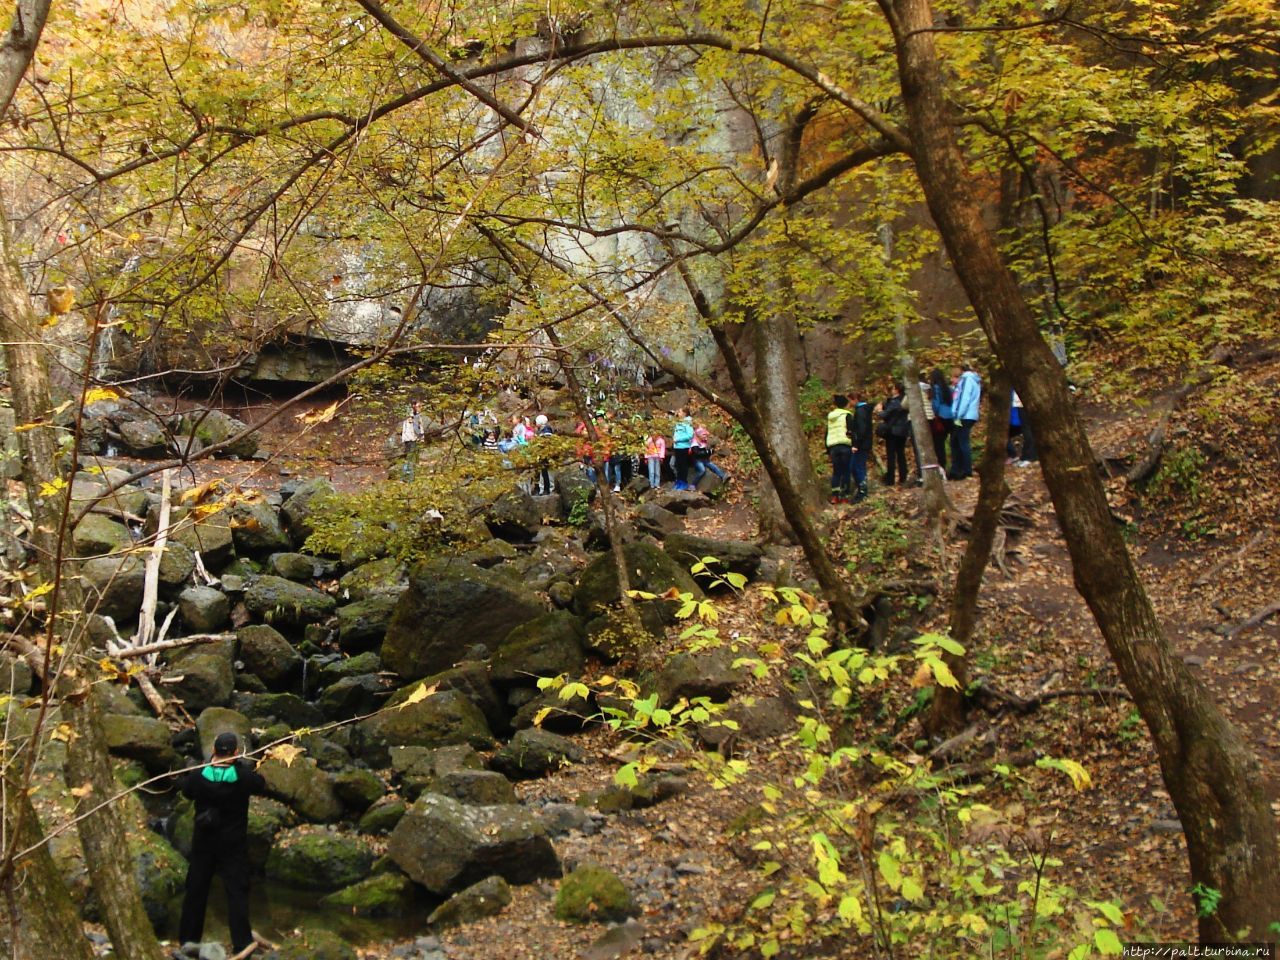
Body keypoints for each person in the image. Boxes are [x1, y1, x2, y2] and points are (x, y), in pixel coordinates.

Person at [178, 732, 268, 956]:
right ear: (236, 752)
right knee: (237, 892)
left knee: (196, 890)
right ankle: (241, 942)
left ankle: (188, 941)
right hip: (233, 844)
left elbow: (186, 791)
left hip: (204, 842)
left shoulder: (199, 776)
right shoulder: (243, 777)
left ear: (214, 751)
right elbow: (261, 784)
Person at [949, 362, 982, 480]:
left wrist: (958, 415)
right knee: (957, 442)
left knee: (961, 443)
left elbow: (964, 398)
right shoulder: (973, 380)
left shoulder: (967, 380)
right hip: (968, 415)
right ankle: (958, 469)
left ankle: (965, 470)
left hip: (964, 416)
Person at [825, 394, 856, 503]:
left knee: (836, 472)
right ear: (846, 404)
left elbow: (827, 433)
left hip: (833, 446)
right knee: (846, 471)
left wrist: (828, 449)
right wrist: (855, 444)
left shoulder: (831, 416)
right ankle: (845, 496)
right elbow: (852, 431)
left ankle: (835, 495)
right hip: (845, 444)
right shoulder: (847, 415)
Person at [879, 381, 911, 486]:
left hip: (892, 431)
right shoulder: (905, 400)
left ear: (897, 390)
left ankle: (890, 479)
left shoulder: (894, 402)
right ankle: (903, 477)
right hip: (903, 431)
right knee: (901, 454)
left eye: (893, 388)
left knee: (891, 455)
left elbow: (885, 415)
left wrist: (879, 410)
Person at [928, 368, 953, 473]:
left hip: (941, 417)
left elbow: (936, 404)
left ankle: (941, 467)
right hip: (950, 416)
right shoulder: (948, 388)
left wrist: (935, 413)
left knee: (938, 444)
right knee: (945, 442)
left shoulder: (936, 388)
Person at [850, 392, 873, 501]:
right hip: (865, 443)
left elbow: (861, 430)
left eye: (850, 401)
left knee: (857, 466)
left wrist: (856, 444)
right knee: (860, 466)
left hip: (861, 444)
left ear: (855, 399)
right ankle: (862, 489)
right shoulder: (865, 410)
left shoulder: (860, 412)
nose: (850, 403)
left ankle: (862, 490)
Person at [671, 408, 694, 490]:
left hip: (684, 447)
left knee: (683, 465)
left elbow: (690, 435)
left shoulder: (687, 422)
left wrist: (678, 439)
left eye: (680, 412)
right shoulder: (678, 422)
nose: (678, 413)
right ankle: (679, 481)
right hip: (677, 447)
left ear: (685, 413)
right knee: (678, 465)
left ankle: (684, 482)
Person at [400, 400, 423, 480]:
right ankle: (407, 478)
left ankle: (409, 476)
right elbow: (416, 429)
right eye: (419, 406)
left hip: (409, 439)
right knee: (410, 458)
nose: (421, 408)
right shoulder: (413, 416)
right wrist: (420, 436)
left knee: (412, 458)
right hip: (411, 439)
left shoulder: (412, 415)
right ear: (414, 406)